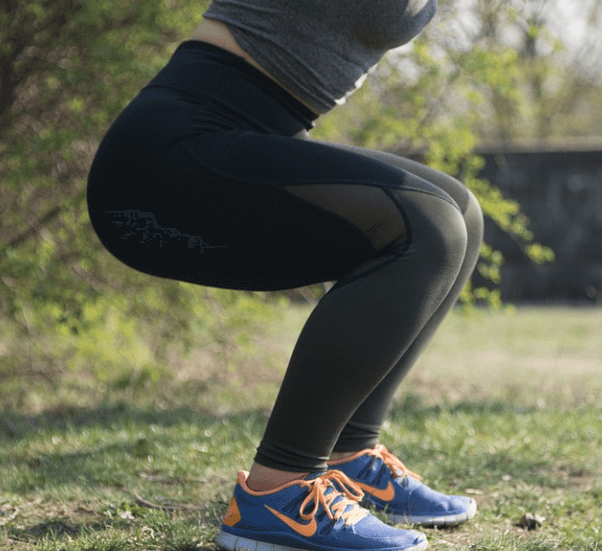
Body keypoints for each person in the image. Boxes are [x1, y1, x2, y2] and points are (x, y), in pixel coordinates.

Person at [86, 1, 484, 550]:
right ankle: (278, 493)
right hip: (168, 156)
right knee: (427, 228)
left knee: (459, 211)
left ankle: (349, 457)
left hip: (244, 138)